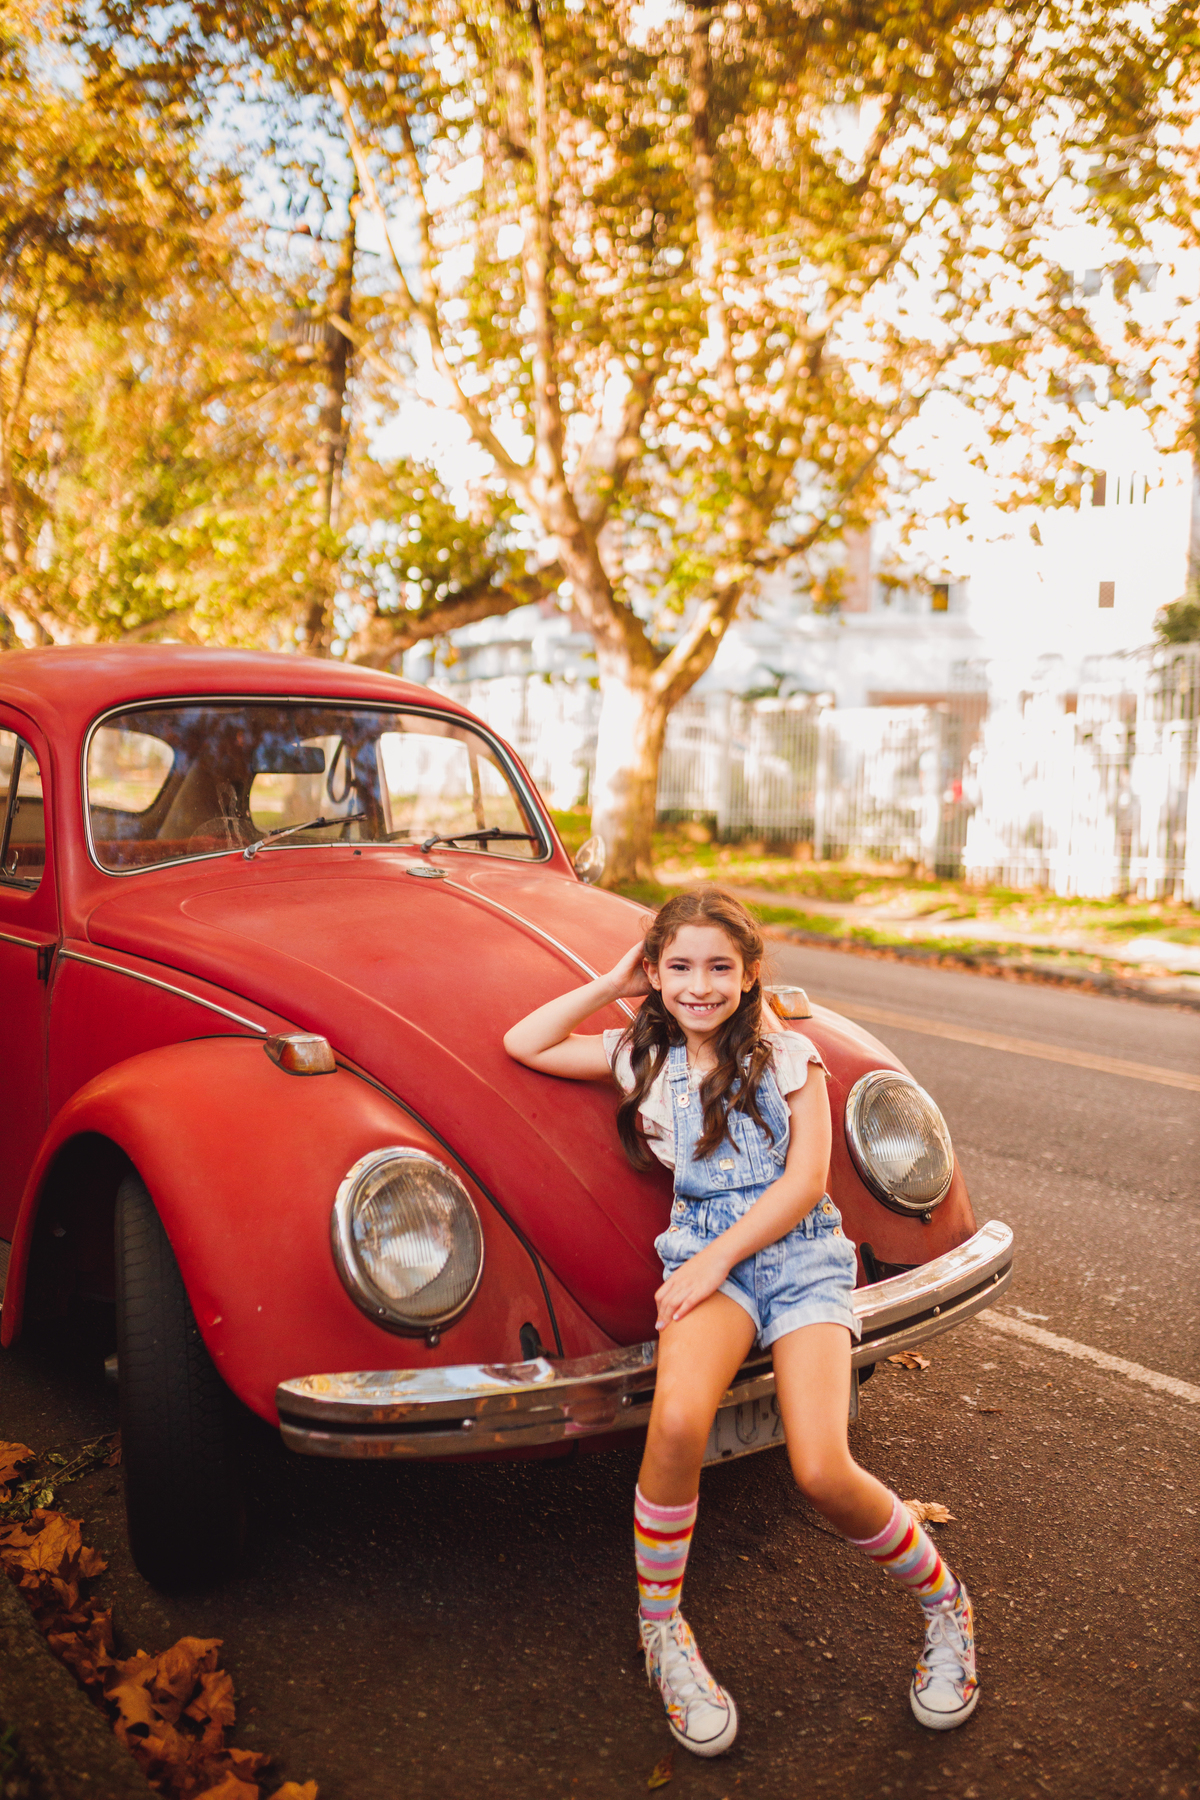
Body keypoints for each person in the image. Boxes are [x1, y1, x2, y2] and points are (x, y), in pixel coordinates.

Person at [503, 887, 977, 1757]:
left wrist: (717, 1262)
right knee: (678, 1423)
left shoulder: (788, 1056)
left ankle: (947, 1609)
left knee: (823, 1467)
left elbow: (804, 1185)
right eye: (678, 967)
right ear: (656, 975)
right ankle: (662, 1633)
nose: (699, 985)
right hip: (705, 1260)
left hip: (797, 1258)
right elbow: (522, 1043)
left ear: (750, 973)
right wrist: (612, 979)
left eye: (720, 967)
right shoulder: (638, 1060)